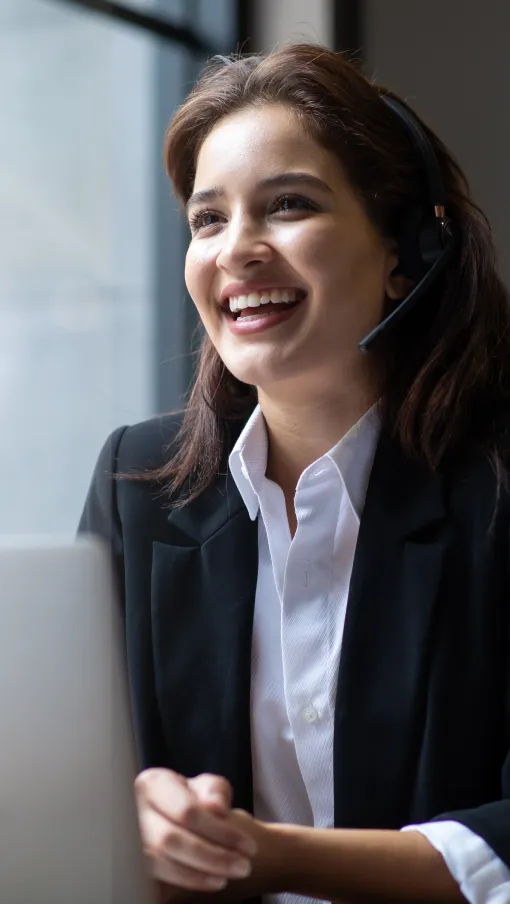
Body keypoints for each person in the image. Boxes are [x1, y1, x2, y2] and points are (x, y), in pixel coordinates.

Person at [79, 43, 510, 904]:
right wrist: (136, 813)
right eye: (208, 220)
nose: (236, 251)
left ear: (403, 254)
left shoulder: (495, 487)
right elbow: (77, 767)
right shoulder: (141, 484)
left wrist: (266, 855)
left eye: (287, 206)